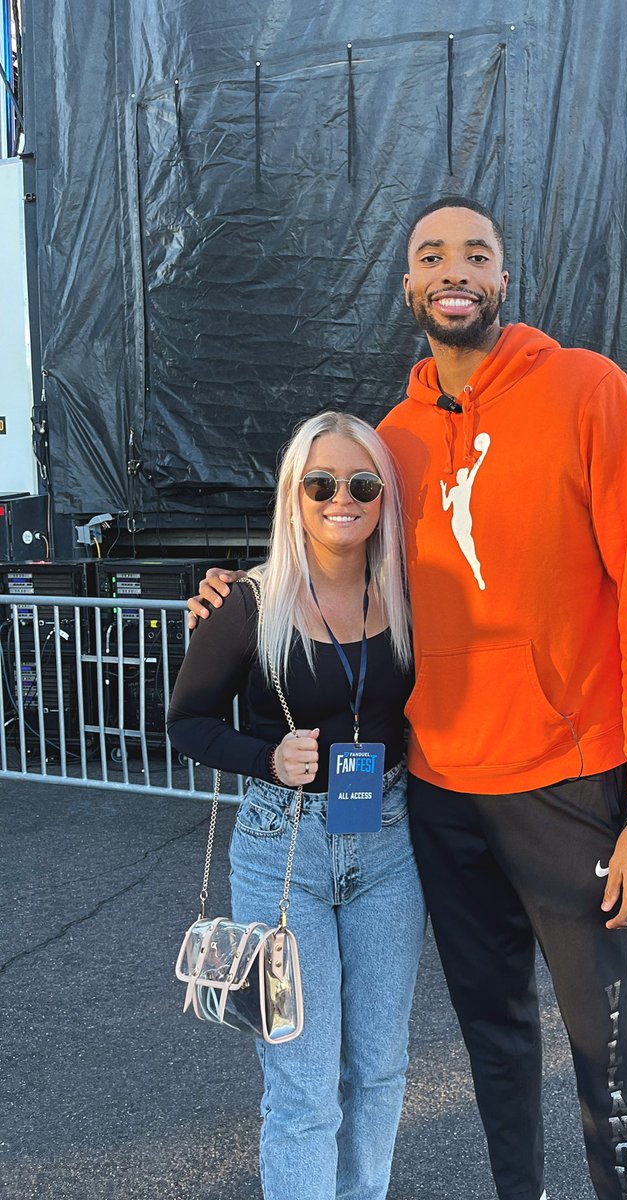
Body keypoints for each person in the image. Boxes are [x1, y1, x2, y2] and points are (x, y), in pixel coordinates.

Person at [190, 197, 627, 1200]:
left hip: (575, 788)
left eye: (476, 253)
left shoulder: (590, 390)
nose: (453, 269)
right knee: (495, 1039)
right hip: (444, 796)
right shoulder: (391, 442)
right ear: (411, 287)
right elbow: (333, 545)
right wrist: (239, 590)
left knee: (607, 1048)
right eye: (430, 255)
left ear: (504, 280)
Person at [168, 410, 426, 1200]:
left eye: (361, 483)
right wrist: (267, 757)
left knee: (380, 1069)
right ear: (294, 494)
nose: (340, 498)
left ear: (383, 496)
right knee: (304, 1085)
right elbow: (187, 723)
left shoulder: (409, 594)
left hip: (388, 843)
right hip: (284, 849)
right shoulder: (249, 602)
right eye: (320, 483)